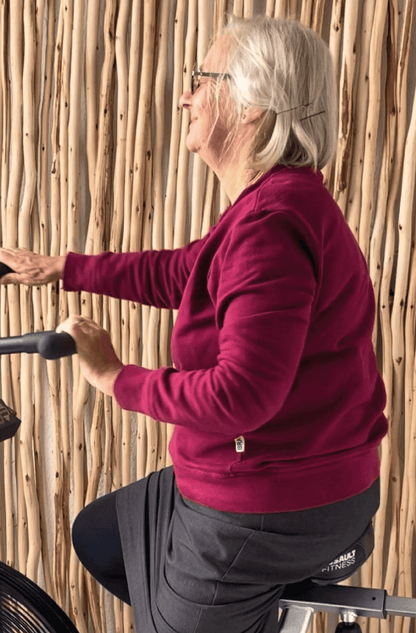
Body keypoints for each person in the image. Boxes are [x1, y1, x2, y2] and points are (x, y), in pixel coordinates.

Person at [0, 15, 388, 633]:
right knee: (101, 537)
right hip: (299, 477)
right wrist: (64, 268)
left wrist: (114, 376)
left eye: (202, 78)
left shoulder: (269, 228)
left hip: (271, 503)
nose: (184, 93)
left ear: (254, 106)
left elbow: (242, 396)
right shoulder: (277, 203)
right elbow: (189, 271)